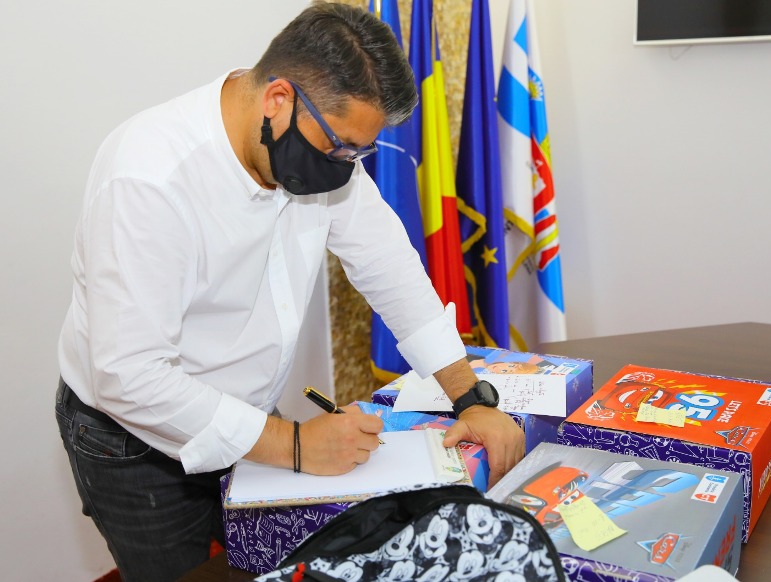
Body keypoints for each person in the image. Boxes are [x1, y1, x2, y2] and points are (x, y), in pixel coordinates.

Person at [54, 2, 525, 580]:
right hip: (135, 441)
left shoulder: (309, 144)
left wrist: (470, 399)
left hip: (251, 413)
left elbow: (389, 265)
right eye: (340, 148)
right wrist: (295, 446)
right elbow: (129, 375)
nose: (346, 167)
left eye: (359, 153)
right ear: (278, 99)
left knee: (279, 566)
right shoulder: (149, 179)